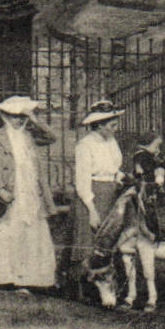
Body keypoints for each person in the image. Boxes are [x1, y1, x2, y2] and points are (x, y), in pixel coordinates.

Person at [0, 96, 59, 293]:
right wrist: (1, 190)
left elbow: (51, 137)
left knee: (32, 230)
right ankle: (5, 277)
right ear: (5, 116)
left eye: (21, 116)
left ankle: (31, 278)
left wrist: (34, 119)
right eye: (13, 116)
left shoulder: (29, 136)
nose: (17, 120)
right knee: (8, 230)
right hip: (10, 192)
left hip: (30, 190)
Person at [71, 101, 125, 285]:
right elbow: (82, 180)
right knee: (89, 239)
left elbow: (113, 167)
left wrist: (119, 177)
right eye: (112, 125)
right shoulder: (85, 145)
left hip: (111, 193)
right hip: (92, 196)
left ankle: (108, 283)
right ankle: (82, 286)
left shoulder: (111, 141)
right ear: (100, 125)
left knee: (109, 239)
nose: (116, 129)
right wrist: (92, 210)